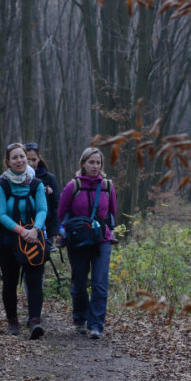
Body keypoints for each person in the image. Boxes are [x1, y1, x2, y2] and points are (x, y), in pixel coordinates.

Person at [0, 142, 48, 338]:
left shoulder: (36, 184)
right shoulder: (1, 185)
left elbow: (43, 210)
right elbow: (1, 214)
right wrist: (22, 231)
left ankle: (35, 321)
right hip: (8, 241)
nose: (20, 161)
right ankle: (12, 321)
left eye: (22, 157)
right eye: (15, 158)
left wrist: (35, 229)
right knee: (10, 282)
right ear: (8, 162)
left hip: (34, 239)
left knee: (35, 281)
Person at [56, 146, 118, 340]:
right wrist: (61, 233)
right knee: (80, 282)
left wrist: (111, 231)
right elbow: (61, 213)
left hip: (101, 239)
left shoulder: (108, 186)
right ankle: (80, 319)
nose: (95, 166)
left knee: (100, 283)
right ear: (83, 163)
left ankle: (96, 325)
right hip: (78, 239)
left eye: (98, 162)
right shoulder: (73, 186)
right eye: (91, 162)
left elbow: (112, 213)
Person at [25, 143, 60, 250]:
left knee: (39, 260)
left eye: (33, 160)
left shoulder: (49, 178)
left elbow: (56, 205)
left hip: (46, 228)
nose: (30, 163)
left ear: (39, 158)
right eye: (27, 160)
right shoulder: (15, 180)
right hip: (23, 226)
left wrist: (55, 230)